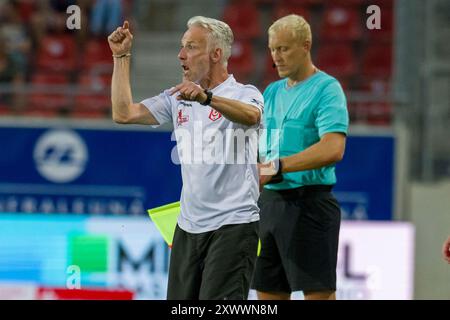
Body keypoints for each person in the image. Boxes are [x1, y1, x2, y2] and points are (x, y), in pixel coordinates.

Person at [108, 17, 263, 299]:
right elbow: (123, 113)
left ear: (216, 54)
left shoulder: (245, 94)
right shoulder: (177, 97)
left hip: (233, 226)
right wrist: (121, 57)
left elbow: (252, 116)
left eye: (191, 47)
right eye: (182, 47)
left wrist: (207, 98)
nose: (181, 55)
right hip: (188, 228)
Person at [251, 14, 349, 300]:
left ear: (306, 45)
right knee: (267, 296)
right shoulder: (270, 92)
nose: (276, 57)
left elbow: (333, 148)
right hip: (268, 205)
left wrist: (277, 167)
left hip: (310, 205)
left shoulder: (327, 89)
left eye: (283, 49)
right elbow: (258, 151)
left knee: (318, 295)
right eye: (272, 49)